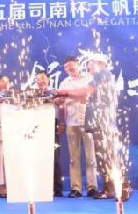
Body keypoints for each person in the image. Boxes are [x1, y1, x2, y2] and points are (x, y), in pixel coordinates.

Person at [85, 55, 132, 201]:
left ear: (100, 64)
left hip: (103, 123)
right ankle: (109, 188)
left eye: (90, 63)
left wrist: (65, 93)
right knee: (103, 157)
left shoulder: (103, 75)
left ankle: (124, 187)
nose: (88, 66)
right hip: (98, 123)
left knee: (109, 156)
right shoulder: (99, 77)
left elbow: (88, 93)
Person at [57, 55, 98, 198]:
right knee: (74, 158)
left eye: (71, 65)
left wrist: (68, 95)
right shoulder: (64, 83)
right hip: (71, 123)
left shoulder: (89, 79)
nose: (69, 69)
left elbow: (87, 95)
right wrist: (62, 121)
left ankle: (92, 187)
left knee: (91, 157)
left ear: (77, 64)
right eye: (66, 67)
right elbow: (62, 105)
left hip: (88, 123)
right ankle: (76, 188)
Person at [35, 70, 65, 199]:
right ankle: (42, 187)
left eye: (43, 78)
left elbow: (62, 107)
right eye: (38, 79)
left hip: (53, 124)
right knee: (39, 157)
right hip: (37, 126)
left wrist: (62, 123)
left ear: (48, 79)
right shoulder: (34, 94)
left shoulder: (55, 93)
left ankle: (57, 188)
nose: (41, 81)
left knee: (54, 157)